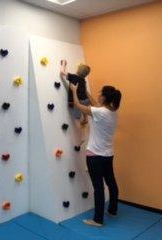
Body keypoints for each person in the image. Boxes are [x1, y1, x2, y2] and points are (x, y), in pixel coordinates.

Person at [69, 83, 122, 227]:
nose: (98, 95)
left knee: (98, 187)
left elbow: (79, 106)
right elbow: (96, 105)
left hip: (95, 156)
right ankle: (112, 210)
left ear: (104, 98)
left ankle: (98, 220)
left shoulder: (100, 113)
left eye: (100, 93)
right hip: (107, 155)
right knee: (111, 183)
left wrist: (74, 91)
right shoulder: (113, 112)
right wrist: (85, 91)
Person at [60, 60, 91, 150]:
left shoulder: (73, 77)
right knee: (84, 112)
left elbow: (62, 72)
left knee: (77, 119)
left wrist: (63, 64)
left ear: (78, 70)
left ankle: (82, 136)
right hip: (85, 100)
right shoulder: (83, 81)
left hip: (77, 102)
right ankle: (85, 118)